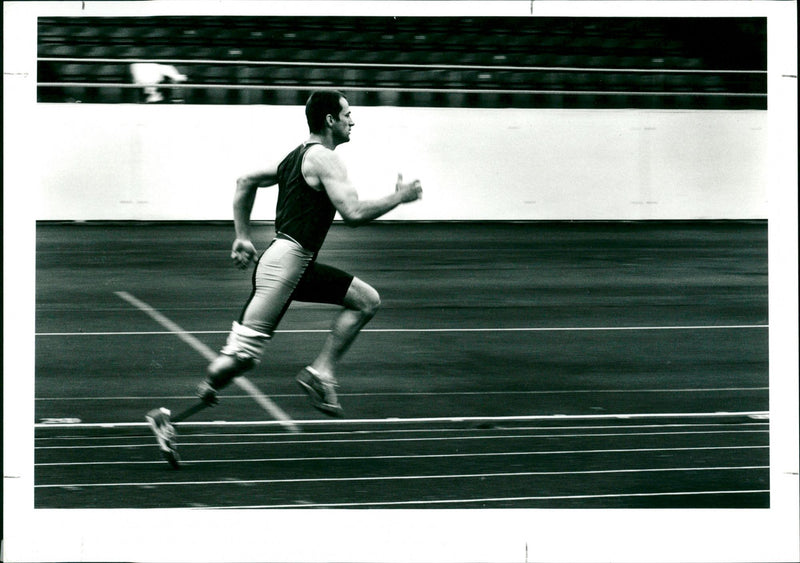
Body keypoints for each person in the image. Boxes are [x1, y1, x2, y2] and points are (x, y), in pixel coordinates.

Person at [147, 90, 422, 466]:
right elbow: (354, 212)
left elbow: (245, 180)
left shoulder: (295, 158)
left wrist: (243, 236)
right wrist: (400, 198)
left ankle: (320, 373)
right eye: (347, 114)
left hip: (295, 263)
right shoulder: (326, 159)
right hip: (284, 266)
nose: (352, 121)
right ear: (329, 120)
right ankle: (169, 416)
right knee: (242, 359)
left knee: (366, 300)